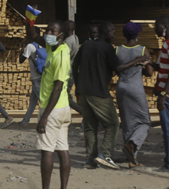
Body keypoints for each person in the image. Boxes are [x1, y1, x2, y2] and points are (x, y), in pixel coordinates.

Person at [72, 22, 148, 170]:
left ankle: (90, 160)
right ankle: (105, 154)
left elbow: (75, 65)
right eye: (113, 32)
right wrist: (136, 61)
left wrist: (77, 86)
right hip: (98, 92)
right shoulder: (107, 48)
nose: (115, 35)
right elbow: (118, 68)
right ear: (106, 32)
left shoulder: (86, 45)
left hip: (84, 91)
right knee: (113, 124)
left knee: (90, 126)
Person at [36, 21, 71, 189]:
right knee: (62, 149)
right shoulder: (53, 49)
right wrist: (30, 19)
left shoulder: (62, 55)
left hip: (53, 109)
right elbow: (33, 36)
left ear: (61, 35)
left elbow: (57, 88)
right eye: (47, 29)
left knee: (47, 151)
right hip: (61, 109)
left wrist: (44, 117)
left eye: (52, 30)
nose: (48, 33)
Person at [115, 22, 153, 168]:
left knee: (127, 122)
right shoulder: (142, 49)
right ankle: (132, 144)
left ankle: (132, 160)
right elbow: (149, 73)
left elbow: (116, 70)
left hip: (121, 87)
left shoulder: (118, 50)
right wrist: (139, 69)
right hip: (135, 87)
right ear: (137, 34)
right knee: (145, 121)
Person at [151, 15, 169, 172]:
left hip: (167, 95)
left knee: (168, 131)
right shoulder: (165, 45)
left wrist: (163, 93)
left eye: (156, 26)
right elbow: (162, 68)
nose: (155, 29)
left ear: (164, 26)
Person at [19, 26, 44, 129]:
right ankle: (25, 121)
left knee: (42, 101)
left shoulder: (30, 46)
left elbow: (21, 60)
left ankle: (46, 121)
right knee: (33, 101)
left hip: (36, 77)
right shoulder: (43, 45)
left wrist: (23, 48)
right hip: (43, 75)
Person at [62, 21, 82, 115]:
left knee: (63, 96)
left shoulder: (67, 41)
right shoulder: (75, 38)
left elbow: (65, 57)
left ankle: (81, 111)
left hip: (67, 71)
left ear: (68, 28)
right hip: (72, 71)